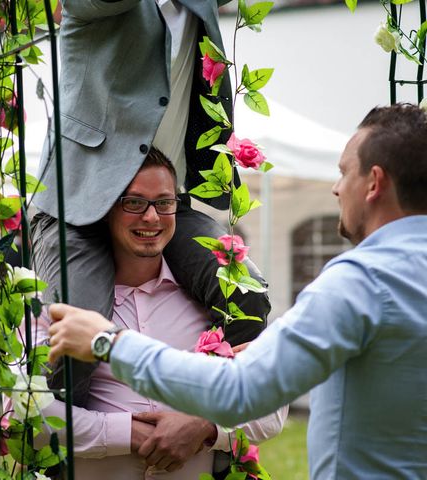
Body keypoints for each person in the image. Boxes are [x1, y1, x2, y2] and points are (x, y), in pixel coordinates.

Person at [46, 103, 427, 478]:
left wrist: (105, 343)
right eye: (134, 203)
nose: (336, 188)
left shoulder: (358, 285)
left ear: (374, 183)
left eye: (345, 173)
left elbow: (243, 390)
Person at [32, 0, 270, 407]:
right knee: (78, 333)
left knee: (247, 296)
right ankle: (61, 460)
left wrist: (199, 416)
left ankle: (201, 404)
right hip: (76, 202)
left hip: (164, 202)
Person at [34, 148, 286, 479]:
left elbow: (273, 405)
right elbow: (23, 415)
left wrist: (206, 426)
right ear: (107, 209)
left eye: (164, 203)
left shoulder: (216, 302)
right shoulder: (55, 304)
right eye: (134, 203)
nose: (151, 217)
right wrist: (129, 433)